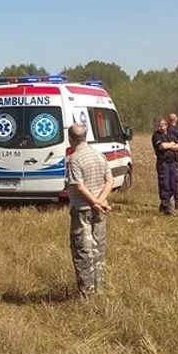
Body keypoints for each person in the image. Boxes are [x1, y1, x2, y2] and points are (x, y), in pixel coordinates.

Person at [65, 123, 112, 296]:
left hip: (83, 210)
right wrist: (100, 202)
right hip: (100, 211)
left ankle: (87, 293)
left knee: (83, 251)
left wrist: (94, 202)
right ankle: (99, 288)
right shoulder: (99, 155)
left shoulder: (75, 158)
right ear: (85, 136)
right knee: (98, 248)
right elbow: (110, 180)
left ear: (71, 139)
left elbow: (79, 185)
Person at [151, 117, 178, 215]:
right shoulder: (156, 135)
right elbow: (162, 146)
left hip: (172, 163)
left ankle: (164, 204)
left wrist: (170, 145)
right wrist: (172, 145)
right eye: (159, 125)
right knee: (164, 185)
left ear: (166, 125)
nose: (160, 127)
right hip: (163, 163)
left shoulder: (171, 134)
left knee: (173, 187)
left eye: (162, 125)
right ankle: (166, 208)